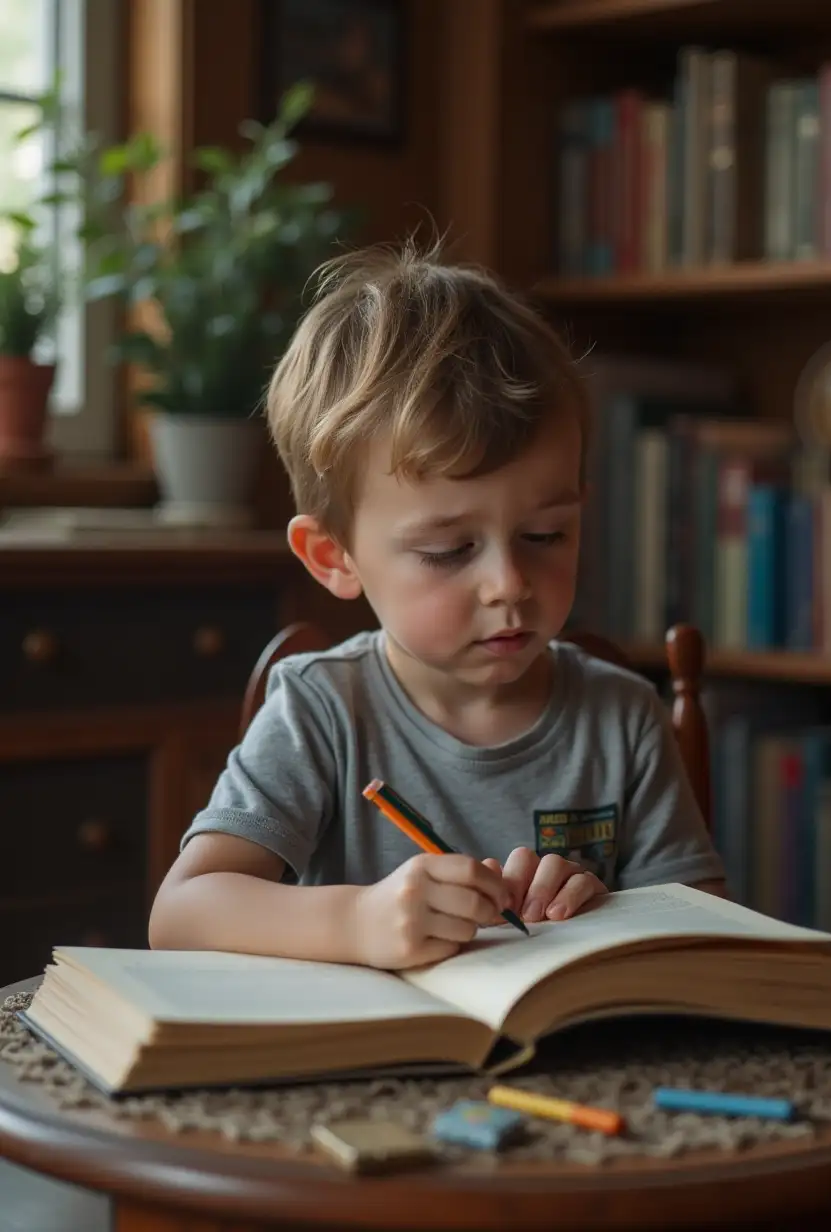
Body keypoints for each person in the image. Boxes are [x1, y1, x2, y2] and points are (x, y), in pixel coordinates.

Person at [148, 239, 726, 970]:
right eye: (450, 551)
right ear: (335, 557)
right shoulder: (322, 710)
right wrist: (357, 921)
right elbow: (181, 912)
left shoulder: (622, 716)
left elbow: (708, 935)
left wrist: (608, 909)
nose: (508, 583)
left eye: (546, 534)